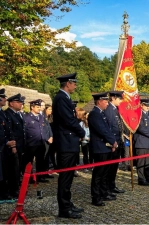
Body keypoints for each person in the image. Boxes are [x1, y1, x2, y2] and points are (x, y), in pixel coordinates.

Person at [52, 72, 86, 219]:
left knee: (69, 176)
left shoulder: (65, 97)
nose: (75, 85)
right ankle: (64, 208)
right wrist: (81, 132)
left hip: (69, 142)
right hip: (66, 143)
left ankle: (68, 203)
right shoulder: (61, 98)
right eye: (74, 83)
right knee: (65, 177)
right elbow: (68, 120)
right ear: (68, 83)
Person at [88, 92, 118, 206]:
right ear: (99, 101)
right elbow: (102, 130)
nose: (107, 104)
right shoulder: (95, 114)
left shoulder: (102, 113)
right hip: (99, 147)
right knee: (98, 174)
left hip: (105, 147)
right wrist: (113, 141)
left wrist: (112, 142)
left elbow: (108, 129)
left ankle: (103, 192)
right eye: (105, 102)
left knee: (104, 173)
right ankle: (96, 196)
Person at [22, 99, 51, 183]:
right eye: (37, 107)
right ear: (32, 107)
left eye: (40, 107)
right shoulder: (27, 117)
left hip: (41, 142)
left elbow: (44, 129)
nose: (39, 108)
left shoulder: (41, 117)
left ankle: (40, 176)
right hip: (31, 143)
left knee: (40, 161)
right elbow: (24, 130)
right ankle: (29, 178)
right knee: (29, 162)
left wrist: (45, 137)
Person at [4, 93, 25, 199]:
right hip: (12, 147)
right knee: (13, 169)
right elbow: (10, 131)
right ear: (11, 103)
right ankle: (13, 190)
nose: (21, 104)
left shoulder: (17, 114)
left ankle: (16, 188)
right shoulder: (7, 114)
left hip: (19, 146)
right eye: (18, 102)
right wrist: (13, 146)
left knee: (17, 169)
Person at [104, 91, 126, 194]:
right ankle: (108, 188)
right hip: (112, 143)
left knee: (114, 167)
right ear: (113, 98)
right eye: (119, 99)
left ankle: (112, 186)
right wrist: (111, 143)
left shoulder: (115, 109)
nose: (121, 101)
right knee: (110, 168)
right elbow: (109, 128)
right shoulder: (109, 110)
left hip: (118, 141)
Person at [133, 98, 149, 186]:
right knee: (141, 162)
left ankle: (148, 177)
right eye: (146, 105)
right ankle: (141, 178)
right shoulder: (138, 114)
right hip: (141, 141)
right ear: (141, 105)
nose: (148, 107)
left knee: (148, 161)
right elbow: (140, 128)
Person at [0, 88, 16, 200]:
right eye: (3, 97)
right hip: (2, 146)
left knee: (5, 171)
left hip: (5, 146)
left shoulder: (2, 112)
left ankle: (5, 193)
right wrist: (6, 142)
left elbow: (7, 129)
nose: (5, 99)